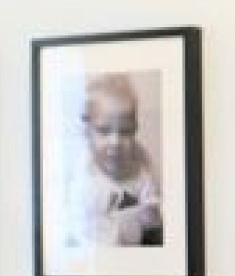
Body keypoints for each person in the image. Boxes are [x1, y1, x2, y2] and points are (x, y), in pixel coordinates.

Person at [64, 73, 163, 248]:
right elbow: (74, 227)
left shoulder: (138, 162)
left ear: (135, 130)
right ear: (87, 133)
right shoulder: (82, 173)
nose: (115, 141)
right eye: (104, 131)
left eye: (125, 132)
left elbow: (150, 196)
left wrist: (151, 211)